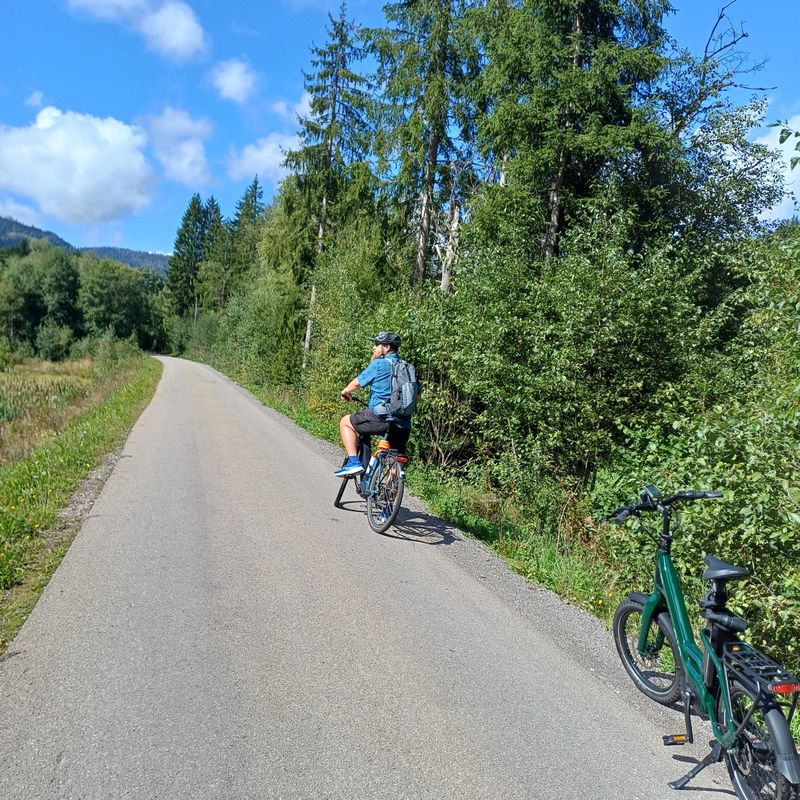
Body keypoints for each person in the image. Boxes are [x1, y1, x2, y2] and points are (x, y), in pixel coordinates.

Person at [334, 331, 412, 476]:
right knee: (395, 458)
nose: (374, 347)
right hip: (403, 423)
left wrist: (345, 392)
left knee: (345, 422)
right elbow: (416, 396)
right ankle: (392, 488)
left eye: (377, 344)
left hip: (379, 418)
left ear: (386, 347)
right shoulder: (408, 368)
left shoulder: (379, 364)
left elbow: (356, 384)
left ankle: (353, 462)